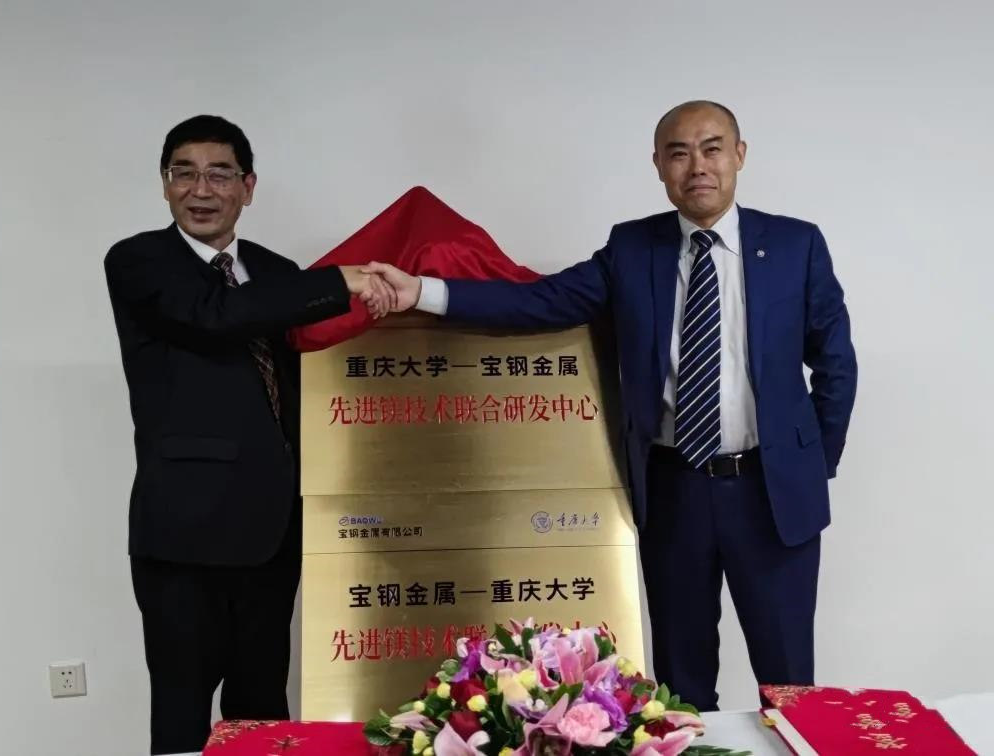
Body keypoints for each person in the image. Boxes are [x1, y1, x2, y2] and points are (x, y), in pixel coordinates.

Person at [363, 101, 857, 710]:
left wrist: (811, 464)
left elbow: (836, 365)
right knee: (681, 681)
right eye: (678, 153)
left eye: (712, 148)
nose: (697, 166)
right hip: (675, 490)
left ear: (739, 155)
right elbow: (541, 302)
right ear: (658, 166)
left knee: (788, 684)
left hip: (771, 491)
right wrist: (423, 292)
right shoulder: (632, 248)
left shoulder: (795, 245)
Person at [104, 114, 394, 754]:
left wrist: (381, 301)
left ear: (248, 186)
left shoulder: (275, 270)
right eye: (184, 173)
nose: (201, 190)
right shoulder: (138, 260)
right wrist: (337, 282)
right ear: (164, 184)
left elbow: (306, 367)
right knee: (182, 707)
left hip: (272, 527)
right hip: (184, 532)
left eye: (220, 174)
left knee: (262, 709)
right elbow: (213, 317)